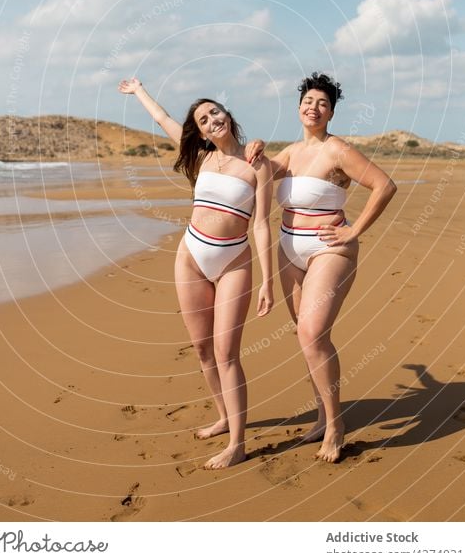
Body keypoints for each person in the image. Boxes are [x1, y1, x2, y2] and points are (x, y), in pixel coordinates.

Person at [118, 77, 274, 469]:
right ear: (200, 130)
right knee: (203, 349)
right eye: (203, 120)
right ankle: (224, 418)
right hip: (190, 256)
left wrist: (268, 282)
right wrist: (139, 90)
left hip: (233, 263)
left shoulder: (257, 162)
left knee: (226, 354)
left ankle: (238, 443)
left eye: (214, 112)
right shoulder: (202, 156)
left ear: (228, 115)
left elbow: (261, 225)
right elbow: (163, 118)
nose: (210, 121)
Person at [246, 72, 396, 463]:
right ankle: (321, 415)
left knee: (313, 334)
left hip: (329, 249)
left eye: (322, 103)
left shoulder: (338, 151)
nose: (314, 108)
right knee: (306, 338)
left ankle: (334, 425)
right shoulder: (292, 152)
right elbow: (258, 171)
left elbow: (384, 185)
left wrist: (354, 231)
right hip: (288, 248)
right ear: (299, 107)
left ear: (331, 112)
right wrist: (257, 150)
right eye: (308, 101)